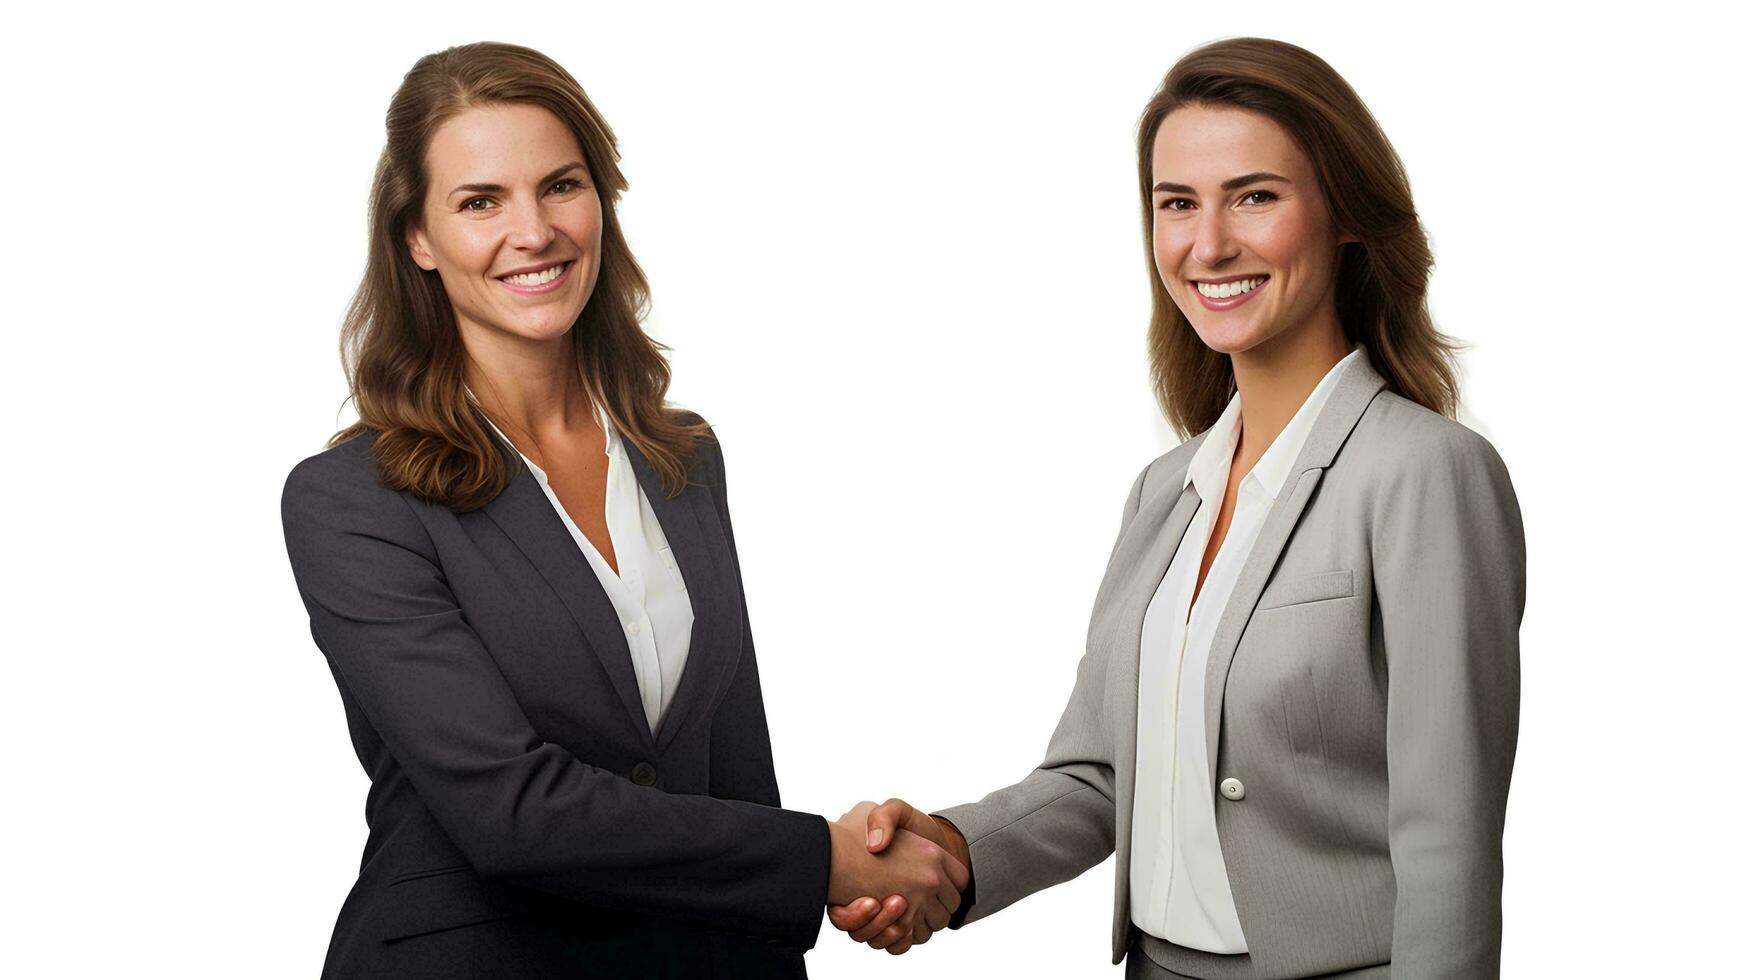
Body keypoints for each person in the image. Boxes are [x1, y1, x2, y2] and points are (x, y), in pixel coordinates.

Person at [829, 37, 1526, 979]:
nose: (1208, 245)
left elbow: (1448, 831)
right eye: (1176, 204)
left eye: (1255, 196)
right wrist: (950, 852)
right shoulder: (1165, 493)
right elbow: (1101, 777)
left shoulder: (1424, 473)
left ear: (1346, 215)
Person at [279, 42, 965, 979]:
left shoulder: (680, 458)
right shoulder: (353, 501)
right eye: (481, 202)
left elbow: (735, 778)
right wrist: (824, 858)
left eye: (560, 186)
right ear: (418, 239)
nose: (533, 231)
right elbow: (507, 810)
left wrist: (805, 892)